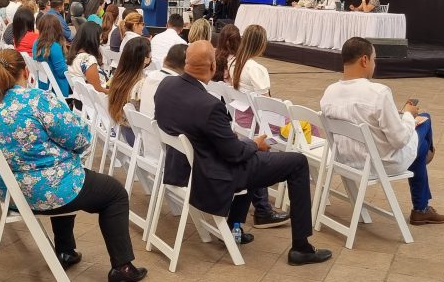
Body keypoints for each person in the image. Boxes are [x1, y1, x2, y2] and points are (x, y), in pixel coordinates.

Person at [0, 49, 148, 282]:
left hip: (11, 192)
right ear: (26, 72)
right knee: (114, 193)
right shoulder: (37, 100)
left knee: (64, 174)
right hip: (46, 191)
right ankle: (122, 266)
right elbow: (79, 138)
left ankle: (66, 250)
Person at [153, 41, 332, 265]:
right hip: (212, 175)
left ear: (186, 61)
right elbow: (235, 154)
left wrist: (244, 144)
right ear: (211, 67)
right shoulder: (209, 105)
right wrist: (255, 144)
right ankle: (301, 247)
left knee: (252, 158)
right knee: (296, 162)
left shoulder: (166, 85)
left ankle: (233, 229)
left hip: (181, 169)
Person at [320, 37, 444, 225]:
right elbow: (400, 140)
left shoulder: (329, 92)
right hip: (380, 162)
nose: (374, 64)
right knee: (425, 120)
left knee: (414, 139)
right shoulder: (378, 92)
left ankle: (422, 205)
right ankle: (426, 159)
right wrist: (408, 115)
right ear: (364, 60)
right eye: (374, 59)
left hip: (346, 158)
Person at [227, 25, 291, 228]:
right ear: (261, 44)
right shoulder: (256, 69)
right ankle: (265, 207)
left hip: (240, 120)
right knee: (305, 126)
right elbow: (267, 104)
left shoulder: (234, 62)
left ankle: (263, 205)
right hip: (257, 123)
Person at [107, 37, 151, 144]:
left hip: (125, 133)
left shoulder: (118, 79)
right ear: (145, 59)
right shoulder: (141, 85)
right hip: (139, 138)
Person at [139, 43, 186, 118]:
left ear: (165, 59)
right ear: (187, 66)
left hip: (142, 126)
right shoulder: (179, 85)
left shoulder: (150, 76)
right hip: (159, 128)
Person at [32, 14, 71, 96]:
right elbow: (62, 72)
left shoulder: (36, 44)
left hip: (44, 86)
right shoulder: (54, 47)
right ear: (58, 29)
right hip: (58, 89)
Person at [68, 22, 109, 93]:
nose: (101, 42)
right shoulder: (89, 60)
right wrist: (115, 92)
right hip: (99, 101)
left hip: (84, 100)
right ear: (93, 40)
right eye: (99, 38)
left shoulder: (75, 56)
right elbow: (98, 90)